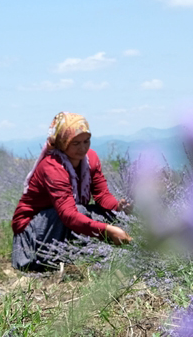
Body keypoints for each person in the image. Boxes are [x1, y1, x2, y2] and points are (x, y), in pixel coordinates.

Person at [11, 112, 132, 271]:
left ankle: (96, 254)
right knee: (80, 211)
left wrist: (119, 208)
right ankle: (54, 259)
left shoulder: (91, 159)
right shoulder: (53, 167)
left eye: (86, 141)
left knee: (114, 215)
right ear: (63, 142)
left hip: (63, 218)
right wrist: (107, 231)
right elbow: (68, 214)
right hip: (33, 233)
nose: (82, 148)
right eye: (75, 143)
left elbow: (102, 195)